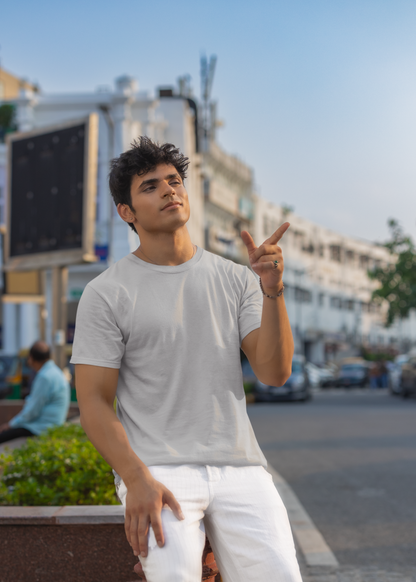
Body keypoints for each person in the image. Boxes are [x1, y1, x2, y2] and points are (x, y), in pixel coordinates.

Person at [71, 137, 303, 582]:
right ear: (127, 212)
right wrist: (135, 478)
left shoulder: (238, 279)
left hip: (240, 465)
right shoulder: (107, 292)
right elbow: (94, 402)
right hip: (158, 468)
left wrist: (271, 287)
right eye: (151, 186)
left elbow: (274, 373)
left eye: (175, 181)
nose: (169, 191)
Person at [0, 341, 70, 443]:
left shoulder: (44, 377)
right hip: (52, 425)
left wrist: (10, 424)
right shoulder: (55, 372)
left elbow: (32, 411)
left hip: (41, 428)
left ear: (31, 358)